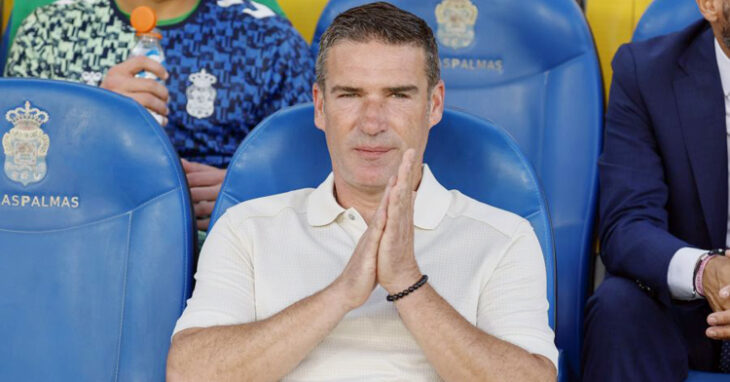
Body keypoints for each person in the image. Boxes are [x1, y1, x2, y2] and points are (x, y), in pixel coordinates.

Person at [166, 3, 557, 381]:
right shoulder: (246, 228)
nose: (372, 123)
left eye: (398, 95)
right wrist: (340, 295)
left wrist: (407, 284)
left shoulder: (504, 237)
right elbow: (189, 372)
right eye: (350, 95)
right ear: (319, 106)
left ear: (434, 104)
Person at [4, 0, 314, 230]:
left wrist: (247, 190)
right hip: (77, 234)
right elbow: (13, 179)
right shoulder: (47, 31)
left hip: (219, 245)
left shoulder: (269, 39)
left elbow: (315, 174)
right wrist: (93, 119)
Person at [583, 0, 730, 380]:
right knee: (618, 308)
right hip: (690, 310)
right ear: (711, 5)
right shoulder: (647, 73)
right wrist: (707, 271)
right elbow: (627, 224)